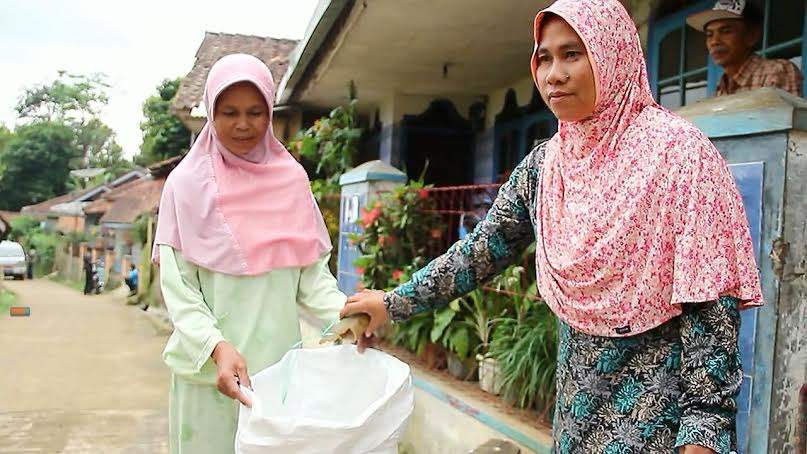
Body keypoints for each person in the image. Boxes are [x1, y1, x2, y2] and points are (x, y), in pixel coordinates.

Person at [342, 1, 764, 453]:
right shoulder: (548, 165)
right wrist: (394, 302)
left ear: (612, 55)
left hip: (662, 419)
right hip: (577, 414)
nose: (553, 75)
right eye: (544, 58)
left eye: (572, 55)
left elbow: (710, 301)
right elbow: (483, 249)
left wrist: (703, 431)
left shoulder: (679, 154)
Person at [153, 53, 346, 453]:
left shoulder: (291, 181)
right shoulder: (185, 186)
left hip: (275, 380)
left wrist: (348, 318)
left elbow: (313, 279)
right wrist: (217, 347)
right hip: (207, 377)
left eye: (255, 112)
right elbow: (180, 290)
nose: (243, 124)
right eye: (229, 112)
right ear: (211, 113)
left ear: (270, 113)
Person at [687, 0, 803, 97]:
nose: (714, 42)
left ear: (751, 36)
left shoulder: (777, 72)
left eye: (726, 31)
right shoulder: (721, 89)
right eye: (709, 35)